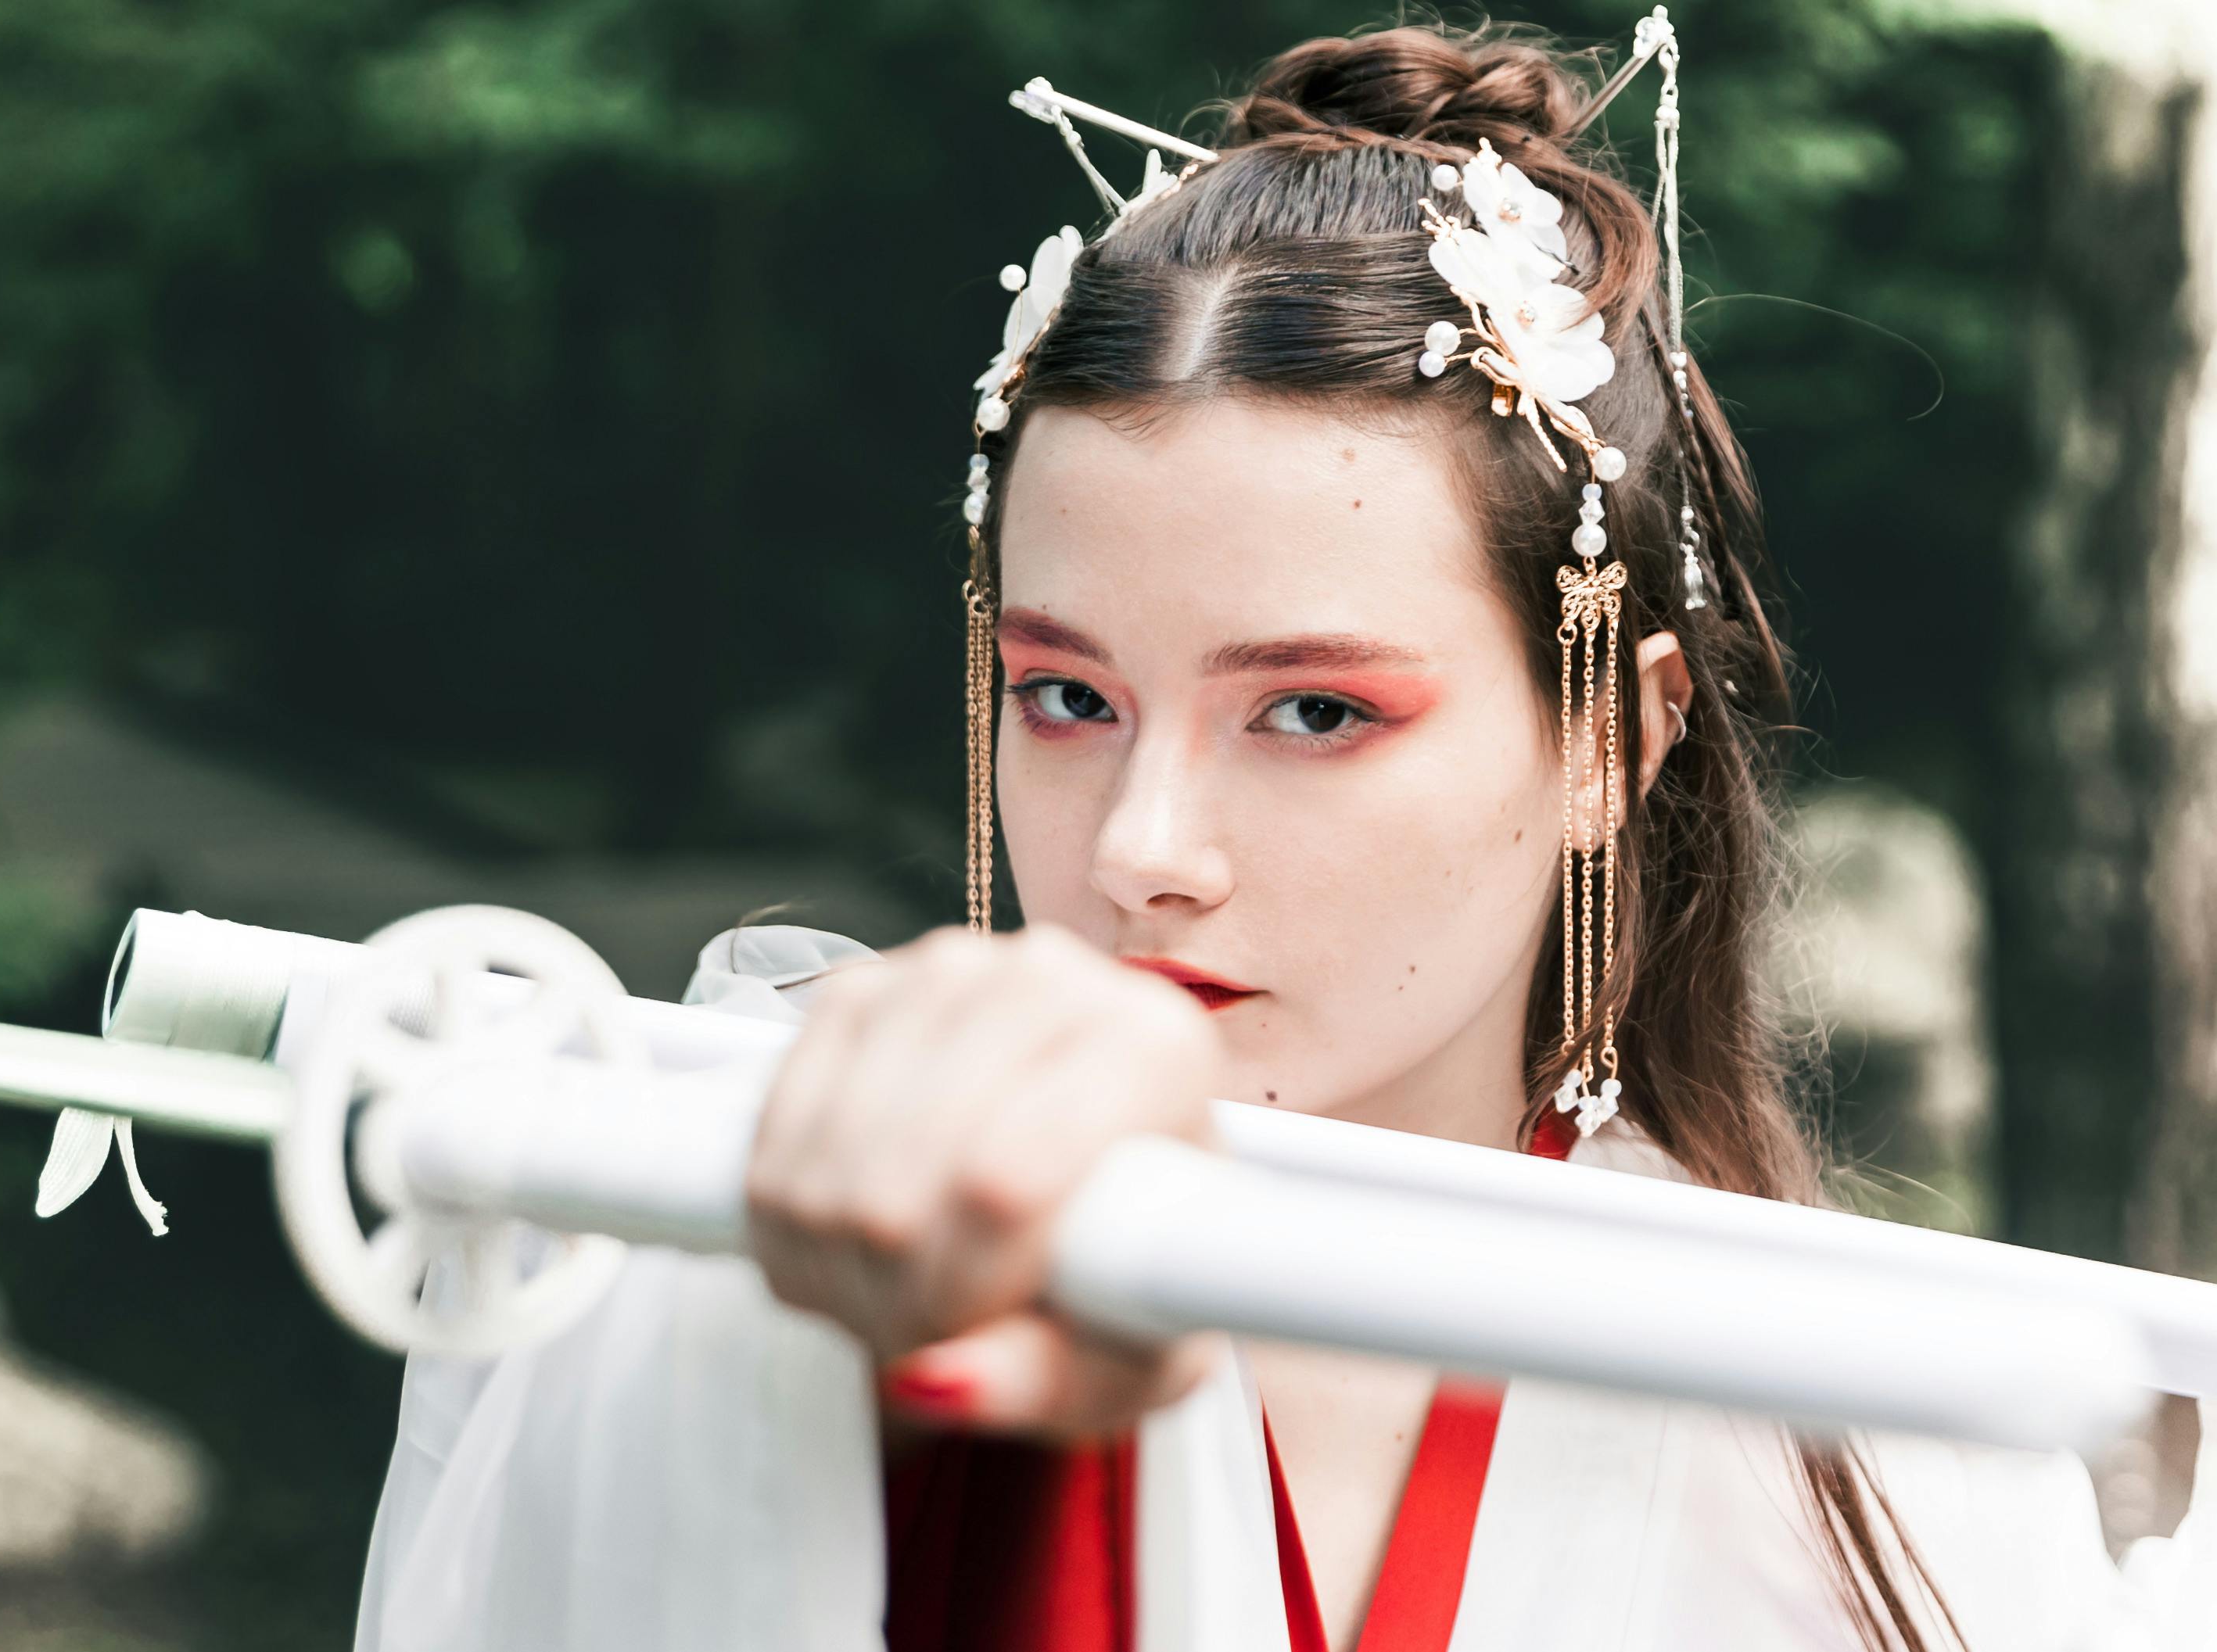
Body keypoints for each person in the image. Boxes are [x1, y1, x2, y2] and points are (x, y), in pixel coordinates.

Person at [355, 18, 2212, 1651]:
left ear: (1607, 741)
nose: (1145, 847)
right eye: (1066, 697)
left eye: (1315, 711)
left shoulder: (1883, 1444)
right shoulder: (722, 1224)